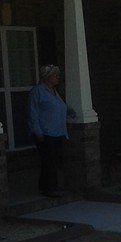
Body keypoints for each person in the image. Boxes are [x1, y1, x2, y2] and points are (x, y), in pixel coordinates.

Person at [27, 64, 73, 197]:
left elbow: (58, 106)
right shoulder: (38, 91)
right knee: (48, 161)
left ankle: (48, 186)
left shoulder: (54, 92)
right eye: (55, 75)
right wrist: (38, 132)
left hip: (58, 131)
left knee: (54, 160)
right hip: (45, 133)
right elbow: (33, 113)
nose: (57, 78)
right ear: (47, 77)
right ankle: (50, 189)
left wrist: (69, 112)